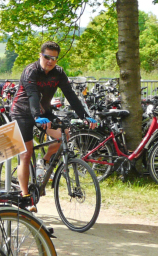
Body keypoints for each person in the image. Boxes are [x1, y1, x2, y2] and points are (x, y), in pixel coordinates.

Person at [9, 42, 97, 206]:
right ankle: (25, 195)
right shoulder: (31, 71)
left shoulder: (59, 73)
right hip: (22, 112)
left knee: (63, 135)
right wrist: (36, 116)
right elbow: (32, 95)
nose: (50, 61)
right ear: (40, 55)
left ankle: (45, 161)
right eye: (47, 57)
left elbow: (70, 95)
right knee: (26, 154)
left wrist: (86, 116)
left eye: (54, 58)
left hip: (43, 111)